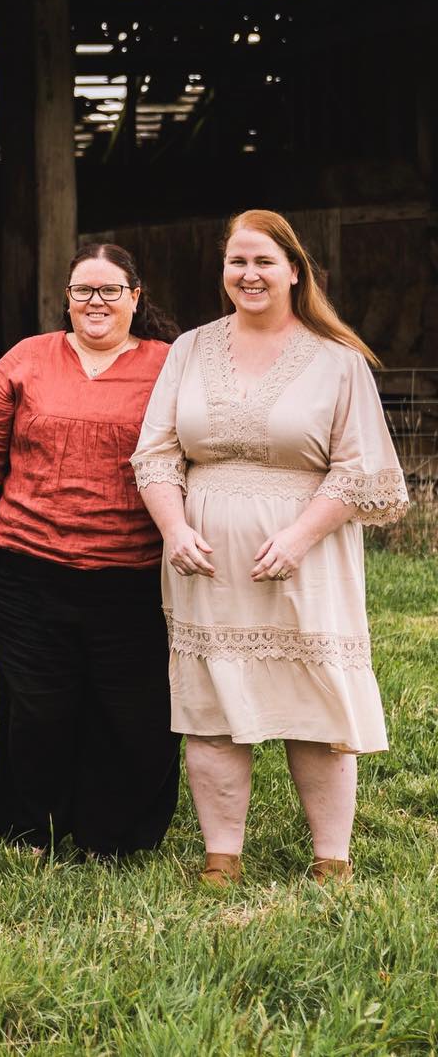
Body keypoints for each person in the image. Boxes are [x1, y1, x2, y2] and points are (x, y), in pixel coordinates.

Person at [132, 208, 409, 886]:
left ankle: (331, 860)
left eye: (263, 261)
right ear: (223, 270)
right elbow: (157, 454)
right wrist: (175, 528)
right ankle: (221, 855)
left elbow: (361, 470)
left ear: (293, 270)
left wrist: (298, 536)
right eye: (237, 261)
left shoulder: (338, 363)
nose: (249, 274)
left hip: (305, 559)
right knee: (211, 708)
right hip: (207, 560)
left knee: (314, 703)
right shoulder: (190, 350)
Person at [0, 242, 182, 859]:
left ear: (136, 297)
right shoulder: (29, 358)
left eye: (111, 290)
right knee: (40, 705)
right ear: (67, 297)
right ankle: (29, 826)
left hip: (132, 576)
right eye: (84, 290)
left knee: (131, 710)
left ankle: (114, 834)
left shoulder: (171, 365)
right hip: (24, 570)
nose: (96, 302)